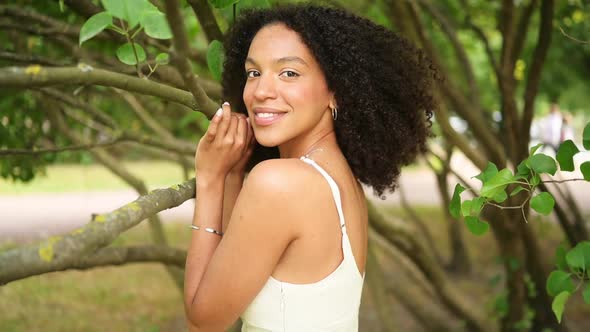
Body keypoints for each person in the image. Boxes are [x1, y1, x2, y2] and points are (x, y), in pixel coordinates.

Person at [184, 4, 436, 331]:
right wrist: (231, 173)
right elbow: (234, 275)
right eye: (253, 72)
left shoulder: (282, 183)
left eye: (289, 73)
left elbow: (204, 321)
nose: (261, 91)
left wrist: (209, 179)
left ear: (335, 91)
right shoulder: (338, 177)